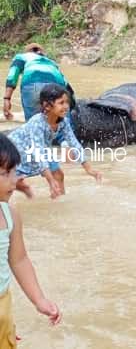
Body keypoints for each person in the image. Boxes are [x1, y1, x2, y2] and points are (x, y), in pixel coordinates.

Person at [0, 133, 62, 347]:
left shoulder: (10, 215)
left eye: (14, 171)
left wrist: (39, 300)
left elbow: (19, 260)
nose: (14, 180)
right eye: (5, 173)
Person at [9, 84, 102, 200]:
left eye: (67, 102)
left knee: (58, 174)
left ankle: (59, 202)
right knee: (9, 182)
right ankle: (22, 189)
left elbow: (74, 143)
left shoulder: (63, 122)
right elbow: (38, 153)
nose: (66, 106)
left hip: (40, 150)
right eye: (61, 103)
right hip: (17, 151)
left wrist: (89, 169)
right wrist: (50, 180)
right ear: (47, 106)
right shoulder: (37, 123)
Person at [4, 43, 76, 121]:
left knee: (33, 124)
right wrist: (71, 106)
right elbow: (67, 85)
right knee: (62, 124)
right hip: (57, 88)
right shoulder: (51, 62)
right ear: (42, 52)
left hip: (33, 85)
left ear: (27, 51)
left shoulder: (22, 56)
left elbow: (12, 75)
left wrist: (7, 99)